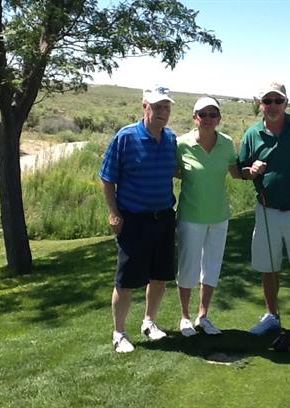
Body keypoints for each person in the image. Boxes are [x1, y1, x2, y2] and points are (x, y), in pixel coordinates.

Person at [237, 82, 290, 346]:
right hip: (266, 211)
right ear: (260, 104)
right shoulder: (252, 134)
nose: (273, 106)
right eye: (267, 101)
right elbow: (240, 171)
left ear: (286, 102)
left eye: (278, 101)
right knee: (268, 268)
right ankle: (272, 315)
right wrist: (251, 172)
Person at [100, 86, 177, 353]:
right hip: (134, 220)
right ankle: (119, 333)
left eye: (166, 107)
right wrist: (114, 212)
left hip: (165, 217)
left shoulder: (170, 139)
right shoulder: (126, 137)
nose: (162, 112)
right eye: (157, 107)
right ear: (145, 107)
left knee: (160, 276)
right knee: (126, 280)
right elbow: (108, 178)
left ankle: (149, 321)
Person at [175, 96, 241, 337]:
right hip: (191, 216)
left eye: (213, 114)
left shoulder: (226, 143)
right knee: (188, 267)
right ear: (195, 118)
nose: (208, 119)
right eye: (203, 114)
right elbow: (172, 171)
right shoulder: (181, 144)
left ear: (220, 119)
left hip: (219, 216)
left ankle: (203, 316)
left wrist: (254, 171)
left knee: (211, 267)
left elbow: (235, 172)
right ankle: (184, 318)